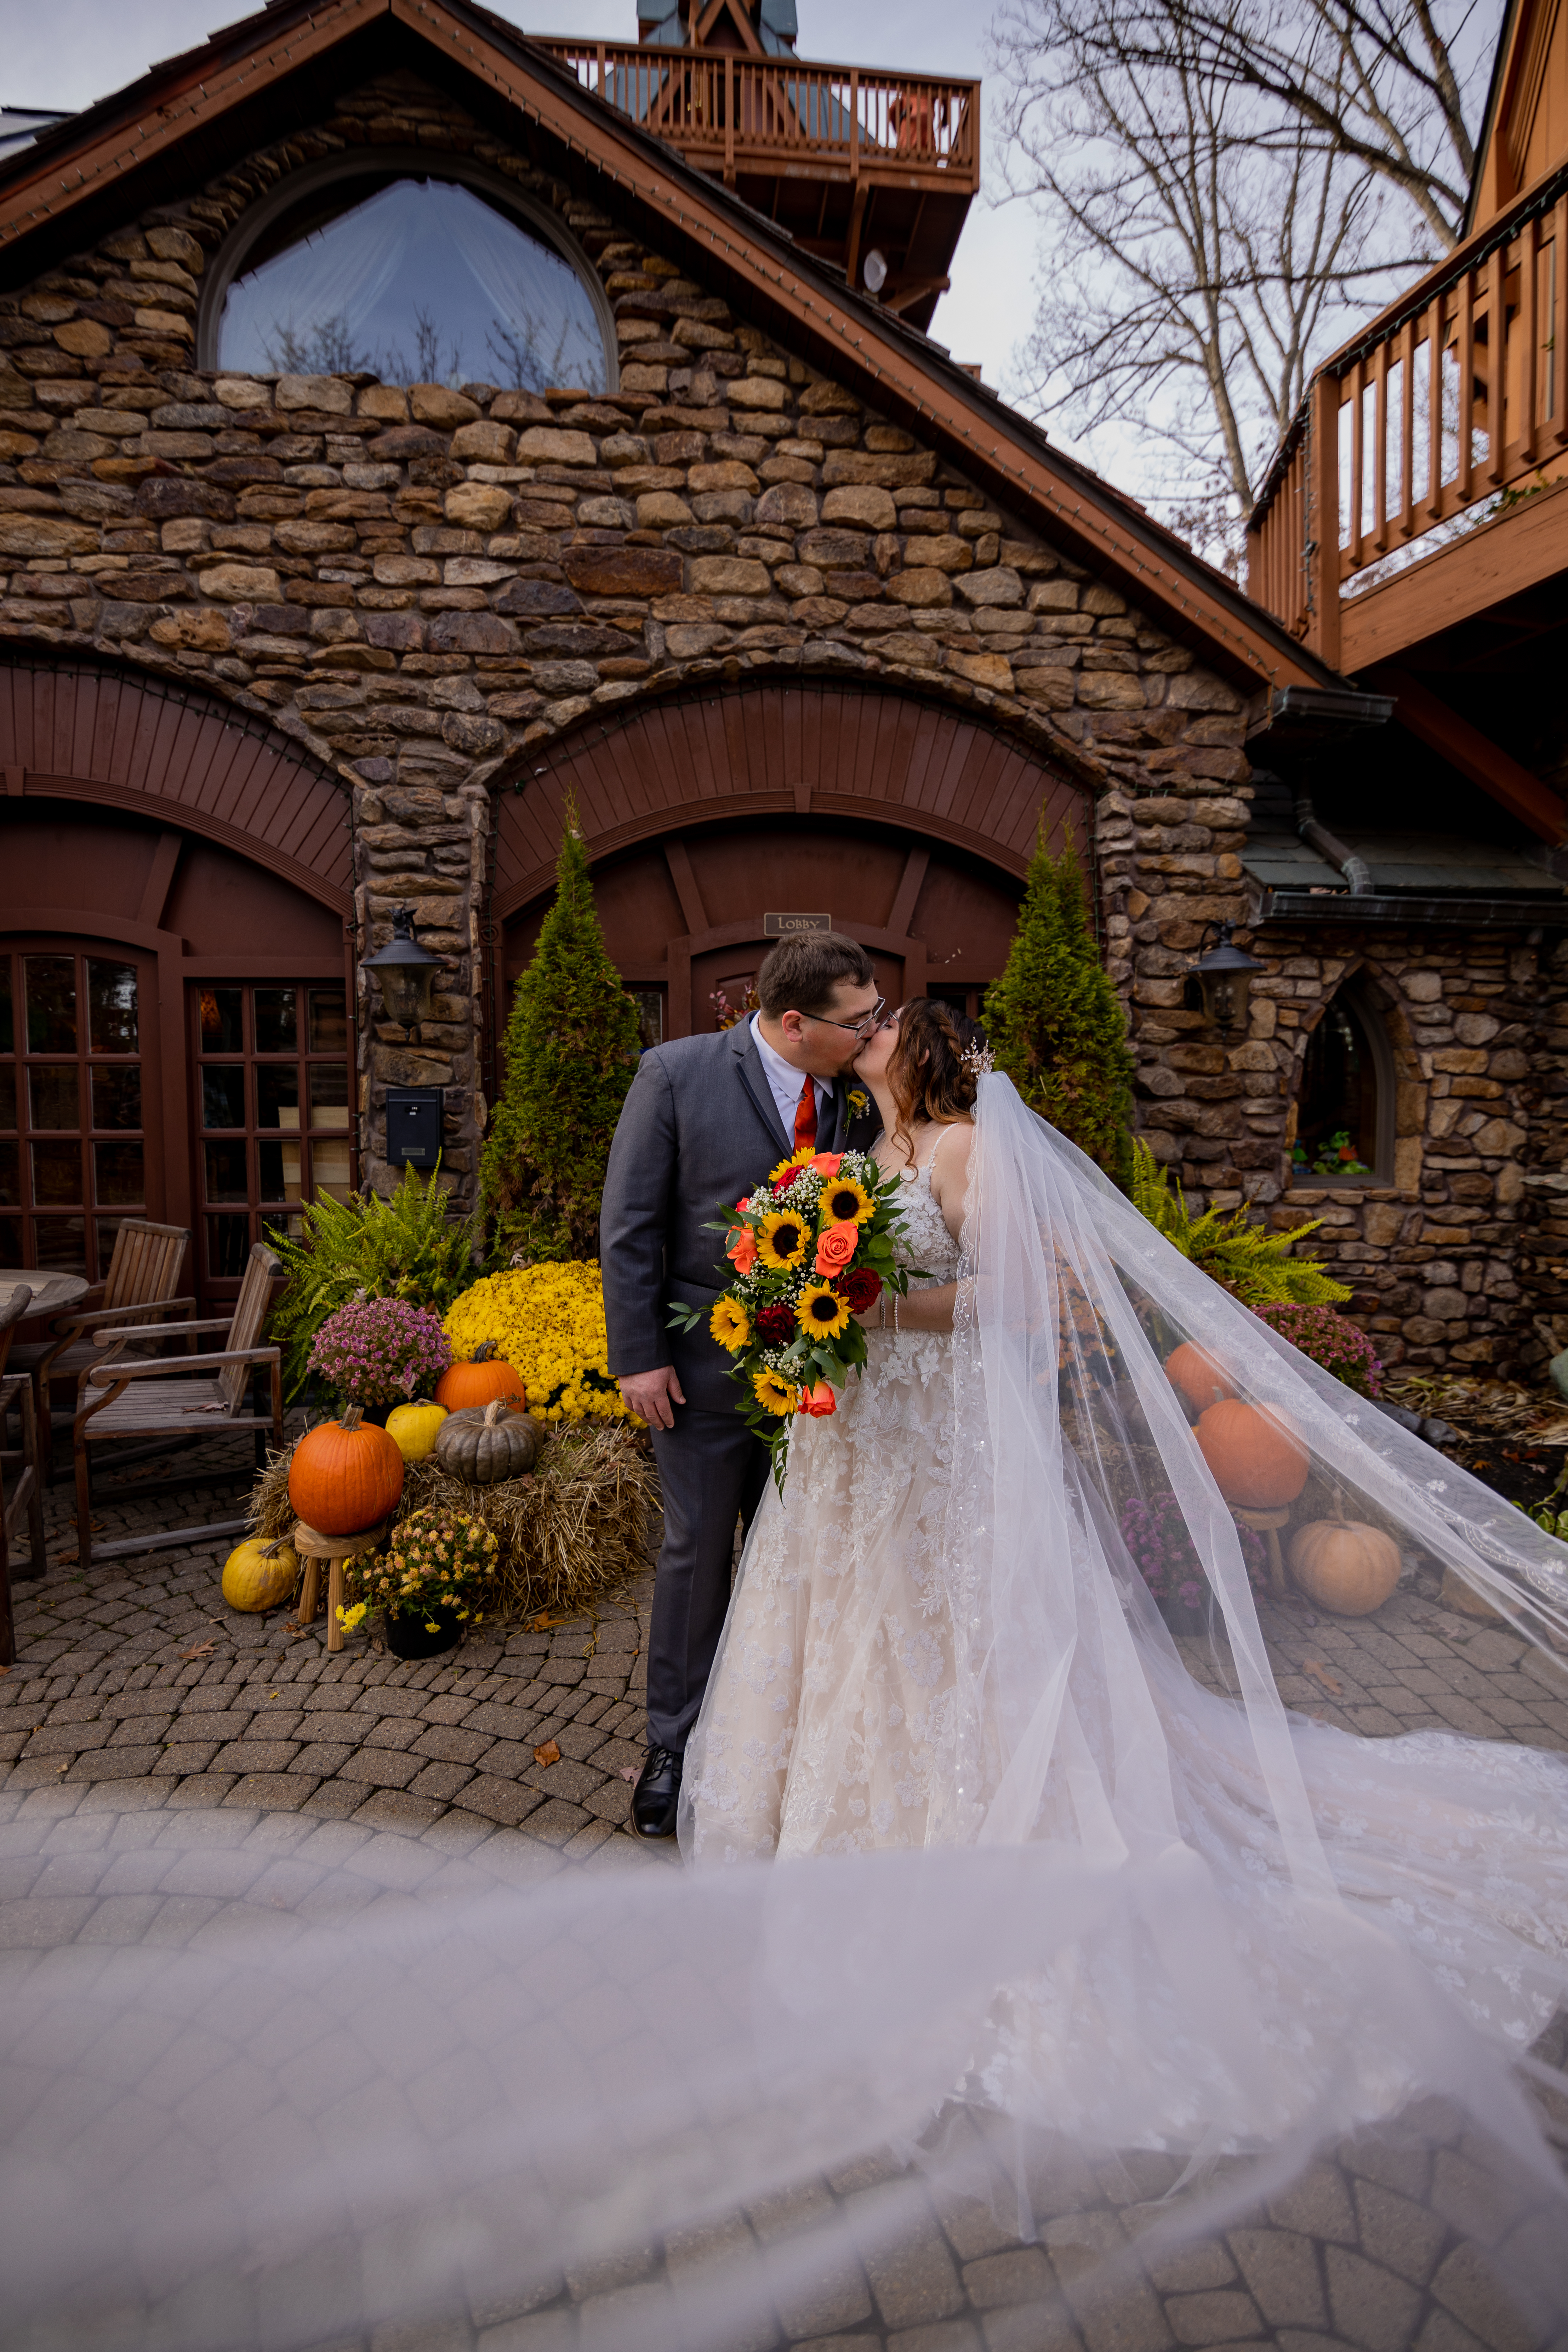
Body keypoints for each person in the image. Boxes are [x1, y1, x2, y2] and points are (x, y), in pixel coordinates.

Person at [600, 931, 883, 1838]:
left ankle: (776, 1738)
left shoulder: (861, 1092)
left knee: (795, 1555)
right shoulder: (675, 1076)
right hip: (700, 1371)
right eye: (858, 1018)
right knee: (696, 1551)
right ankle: (674, 1743)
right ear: (794, 1024)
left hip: (823, 1381)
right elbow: (631, 1224)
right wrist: (639, 1354)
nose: (872, 1029)